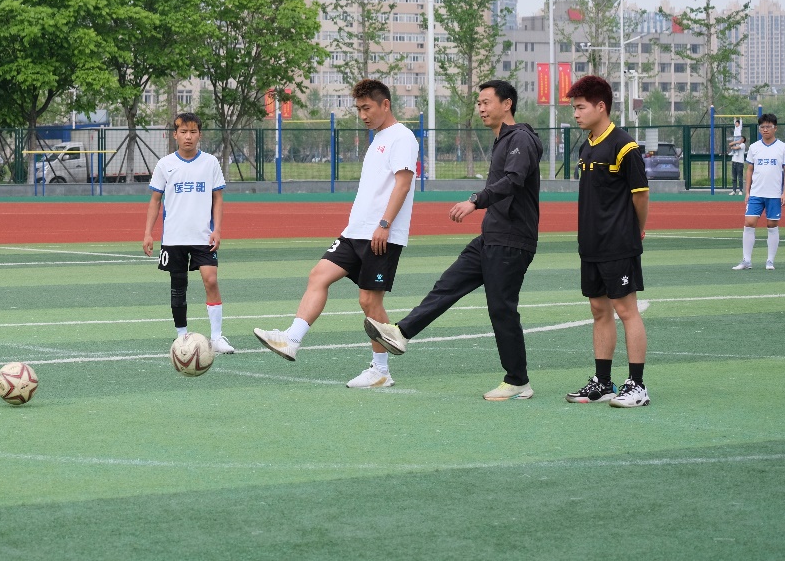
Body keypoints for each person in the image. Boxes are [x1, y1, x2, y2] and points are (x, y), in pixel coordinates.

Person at [364, 79, 543, 400]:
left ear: (507, 104)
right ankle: (402, 332)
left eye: (487, 102)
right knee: (448, 284)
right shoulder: (502, 140)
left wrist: (475, 200)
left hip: (513, 240)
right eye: (479, 103)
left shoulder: (521, 139)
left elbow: (513, 180)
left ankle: (518, 380)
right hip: (491, 236)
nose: (481, 108)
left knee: (501, 309)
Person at [253, 79, 418, 388]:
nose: (363, 115)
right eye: (359, 109)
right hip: (355, 231)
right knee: (319, 275)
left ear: (385, 105)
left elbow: (403, 184)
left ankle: (381, 370)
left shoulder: (402, 137)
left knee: (369, 302)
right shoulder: (378, 138)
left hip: (380, 234)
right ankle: (292, 339)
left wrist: (384, 225)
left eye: (367, 108)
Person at [564, 75, 651, 408]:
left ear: (601, 106)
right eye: (574, 108)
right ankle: (603, 382)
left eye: (580, 107)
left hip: (618, 243)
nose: (576, 113)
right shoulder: (587, 145)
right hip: (591, 244)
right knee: (599, 310)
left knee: (626, 310)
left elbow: (640, 195)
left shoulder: (624, 146)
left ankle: (637, 385)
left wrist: (636, 229)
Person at [143, 113, 233, 354]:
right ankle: (181, 336)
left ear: (199, 135)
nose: (188, 137)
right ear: (175, 135)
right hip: (174, 237)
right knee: (178, 286)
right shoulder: (164, 164)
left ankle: (217, 337)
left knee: (211, 280)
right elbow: (155, 200)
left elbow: (218, 198)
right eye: (183, 132)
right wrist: (148, 233)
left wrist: (217, 229)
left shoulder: (210, 163)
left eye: (193, 132)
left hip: (203, 235)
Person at [732, 112, 785, 271]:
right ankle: (746, 260)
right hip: (756, 193)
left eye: (768, 126)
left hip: (774, 194)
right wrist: (747, 191)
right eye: (762, 127)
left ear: (775, 128)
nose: (765, 129)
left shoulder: (783, 148)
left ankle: (770, 261)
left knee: (772, 225)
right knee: (749, 223)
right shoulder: (754, 147)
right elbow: (749, 169)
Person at [728, 119, 746, 196]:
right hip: (734, 162)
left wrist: (734, 146)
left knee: (740, 177)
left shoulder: (743, 145)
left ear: (743, 140)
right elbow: (730, 144)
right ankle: (734, 190)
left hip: (740, 163)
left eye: (741, 139)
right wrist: (735, 142)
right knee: (734, 178)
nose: (740, 139)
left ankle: (741, 190)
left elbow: (736, 147)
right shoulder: (737, 142)